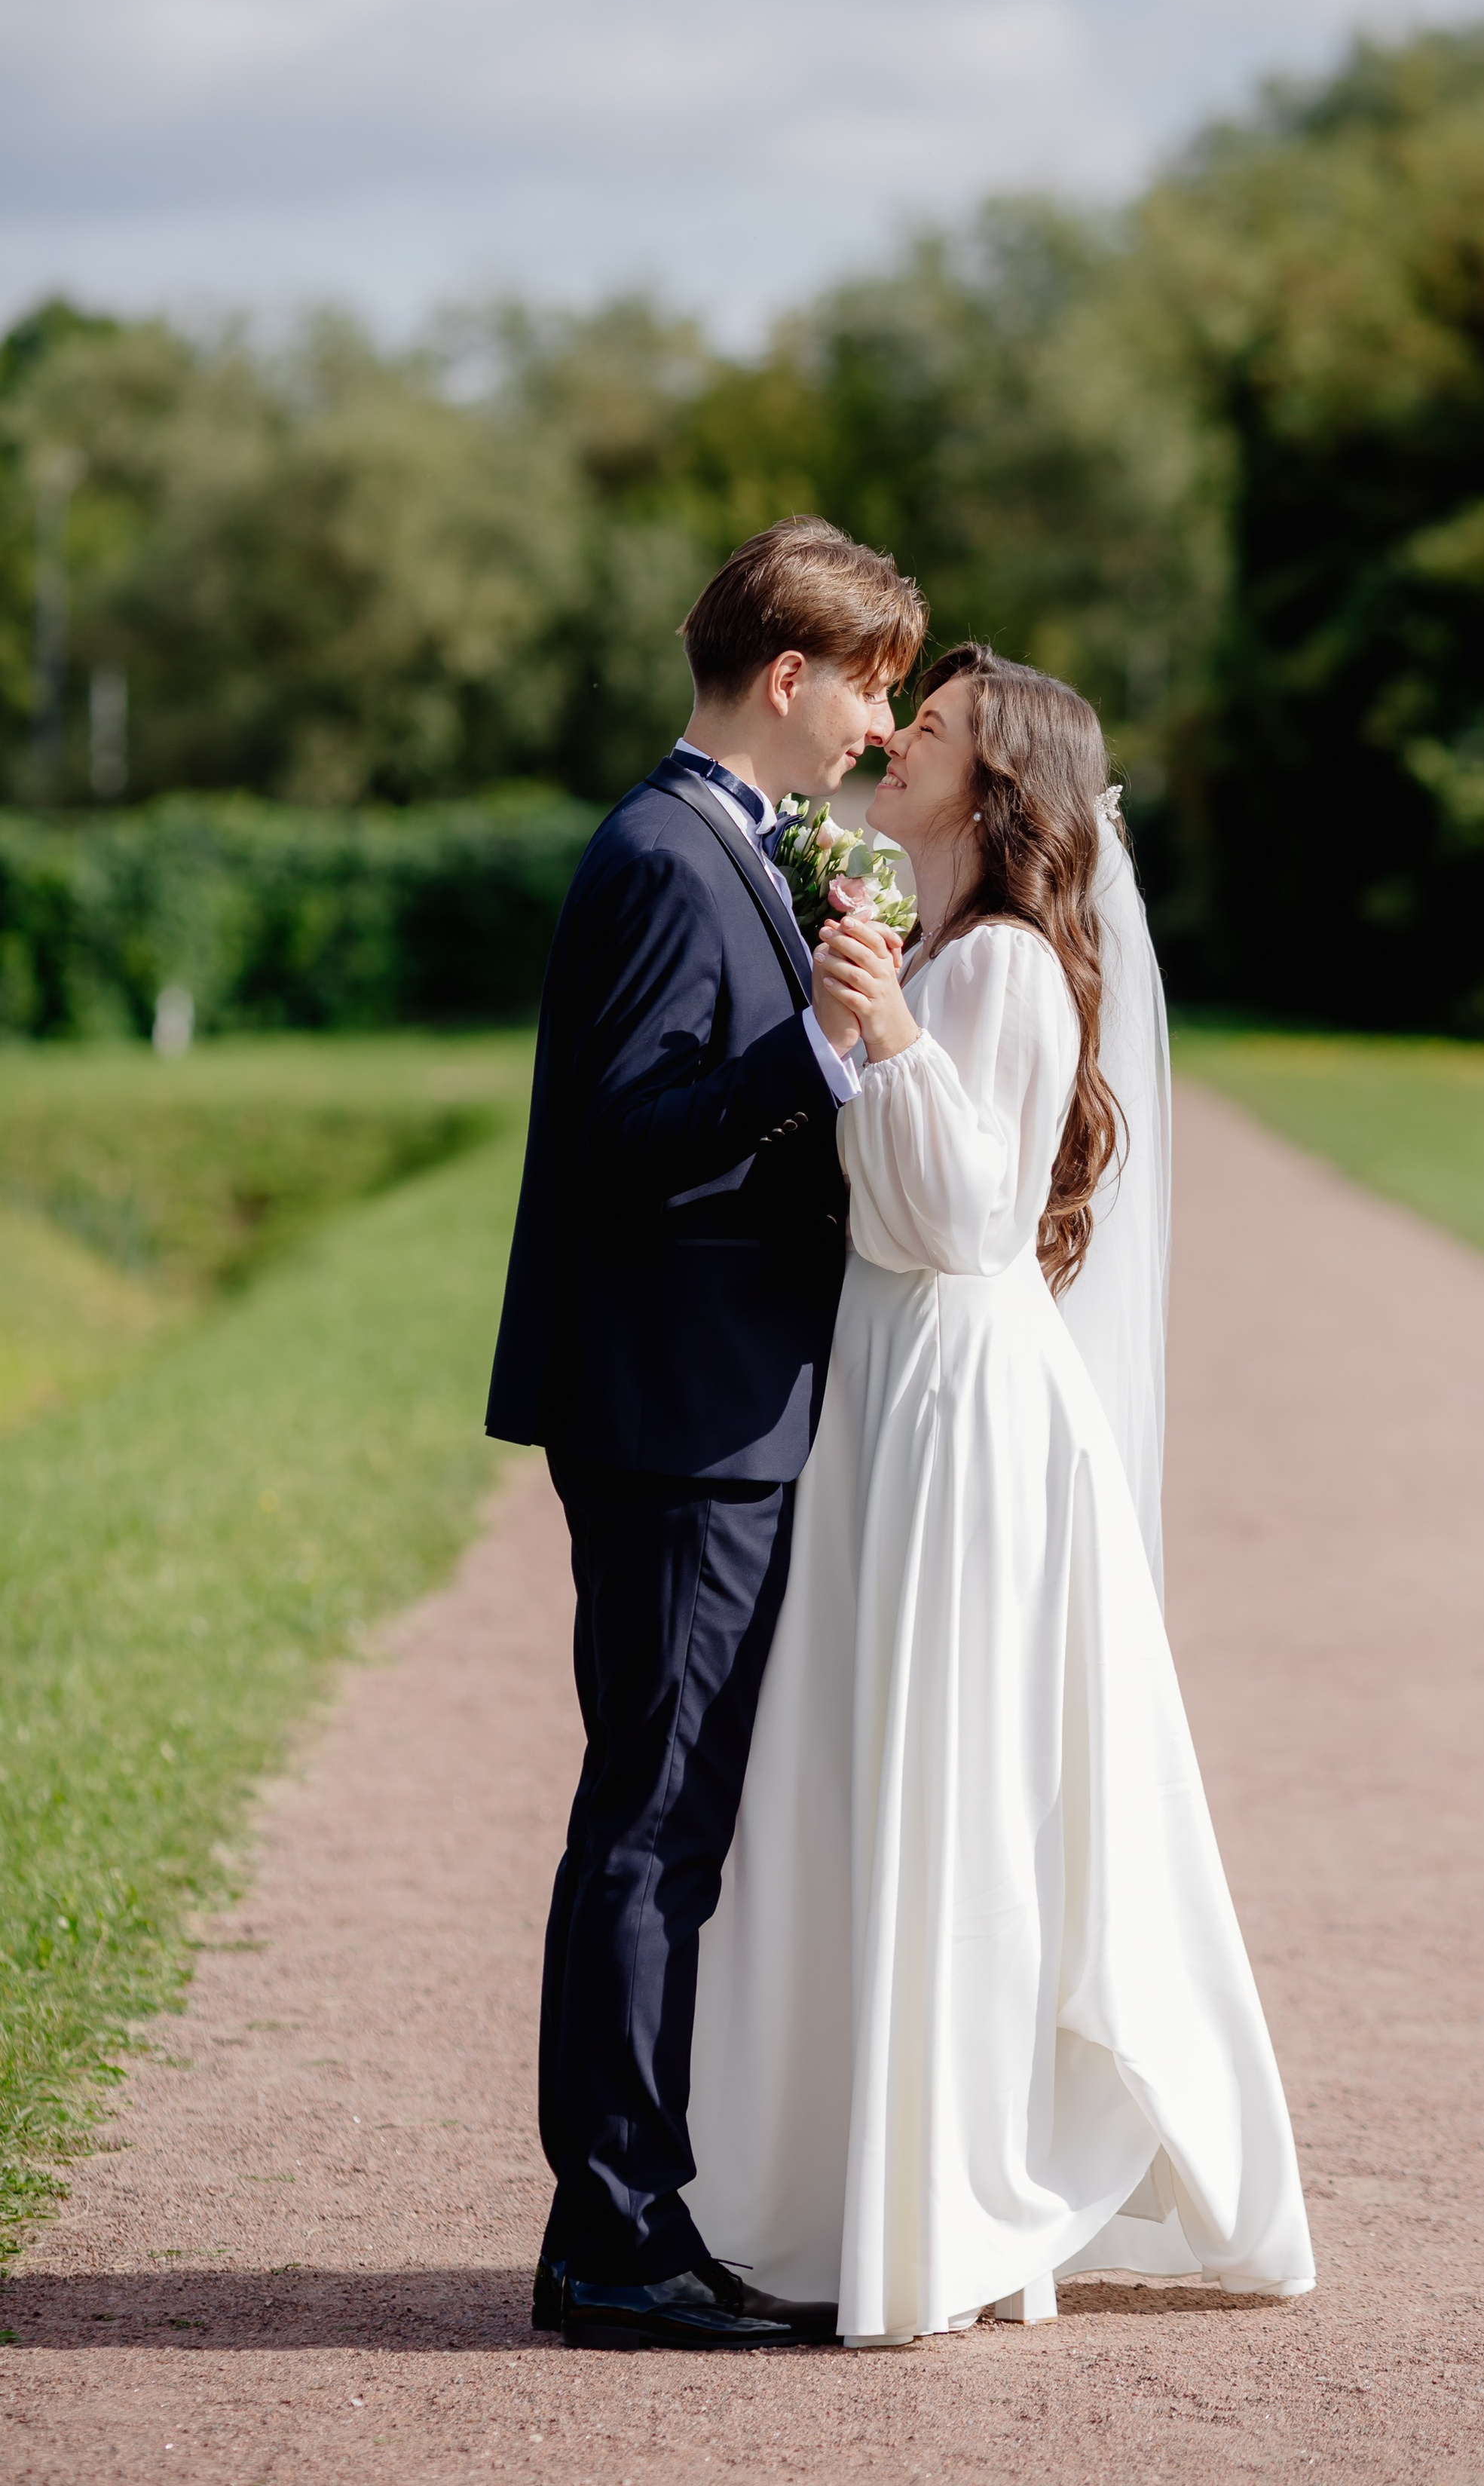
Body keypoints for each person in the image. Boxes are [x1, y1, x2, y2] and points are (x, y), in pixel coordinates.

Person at [682, 644, 1316, 2342]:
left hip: (959, 1395)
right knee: (869, 1771)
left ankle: (945, 2201)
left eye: (935, 729)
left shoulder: (1008, 972)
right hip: (896, 1384)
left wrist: (879, 1032)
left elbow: (963, 1217)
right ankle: (858, 2182)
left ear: (993, 784)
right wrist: (882, 1012)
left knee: (943, 1775)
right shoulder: (946, 949)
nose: (897, 741)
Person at [485, 516, 927, 2353]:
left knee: (668, 1822)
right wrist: (814, 1064)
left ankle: (630, 2214)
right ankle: (610, 2239)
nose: (881, 733)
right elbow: (626, 1138)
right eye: (872, 690)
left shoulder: (722, 841)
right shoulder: (670, 856)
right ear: (788, 677)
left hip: (711, 1407)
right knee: (654, 1829)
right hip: (678, 1417)